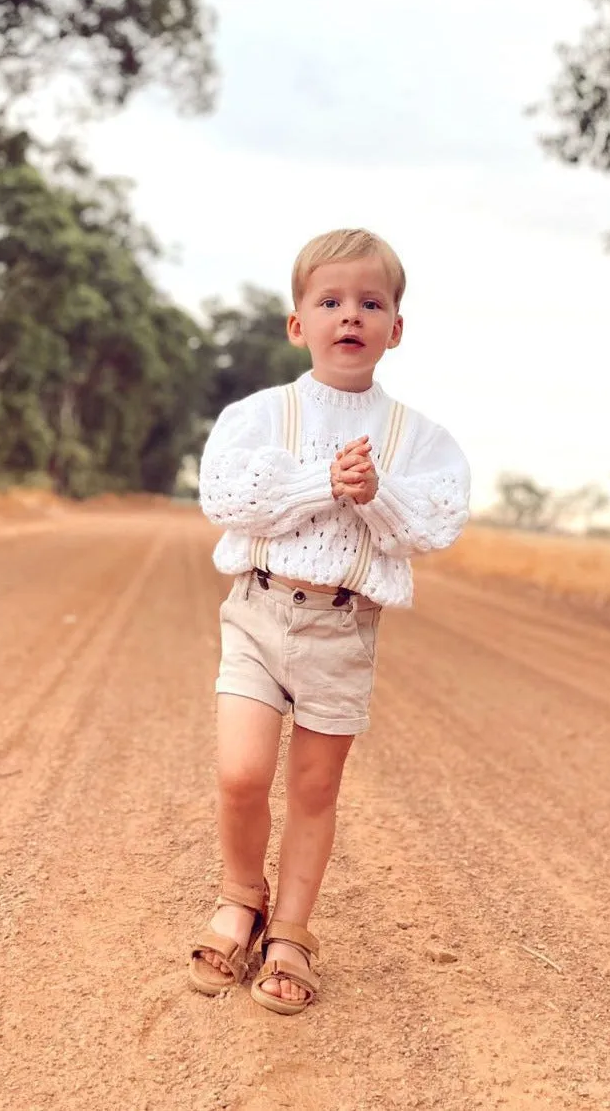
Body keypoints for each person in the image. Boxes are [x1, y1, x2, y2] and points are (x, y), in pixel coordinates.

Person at [187, 228, 471, 1015]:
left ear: (396, 328)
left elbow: (433, 526)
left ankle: (291, 933)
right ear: (298, 323)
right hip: (258, 610)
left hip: (343, 628)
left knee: (315, 788)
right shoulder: (259, 416)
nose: (351, 316)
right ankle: (241, 896)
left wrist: (374, 489)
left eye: (371, 303)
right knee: (241, 772)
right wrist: (324, 480)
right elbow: (228, 499)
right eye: (331, 301)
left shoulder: (419, 439)